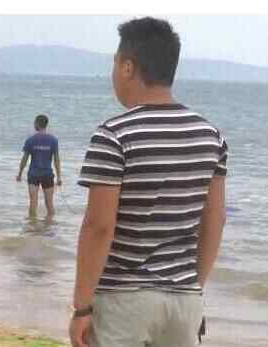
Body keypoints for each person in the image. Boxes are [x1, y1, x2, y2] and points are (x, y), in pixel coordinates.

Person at [69, 17, 228, 347]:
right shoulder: (211, 136)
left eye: (114, 64)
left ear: (128, 67)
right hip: (184, 301)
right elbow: (215, 220)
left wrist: (82, 306)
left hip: (123, 300)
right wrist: (193, 289)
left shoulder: (114, 134)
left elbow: (99, 226)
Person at [16, 114, 62, 221]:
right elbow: (56, 160)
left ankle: (32, 227)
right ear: (46, 125)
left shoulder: (30, 140)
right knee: (49, 203)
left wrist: (19, 174)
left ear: (37, 123)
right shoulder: (53, 140)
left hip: (33, 175)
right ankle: (50, 227)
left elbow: (24, 159)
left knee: (33, 202)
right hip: (47, 175)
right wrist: (59, 177)